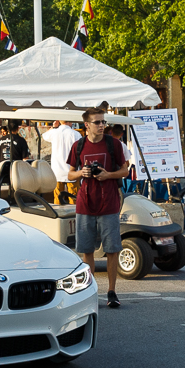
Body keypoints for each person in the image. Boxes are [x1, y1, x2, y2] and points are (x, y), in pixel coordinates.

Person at [67, 109, 131, 309]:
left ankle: (112, 292)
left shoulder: (114, 144)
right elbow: (69, 174)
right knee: (87, 250)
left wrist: (107, 175)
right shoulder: (78, 146)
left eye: (103, 122)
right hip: (85, 204)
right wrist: (81, 173)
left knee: (112, 249)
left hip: (109, 203)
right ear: (87, 125)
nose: (102, 125)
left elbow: (125, 170)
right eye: (97, 122)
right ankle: (89, 292)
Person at [44, 119, 82, 204]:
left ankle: (58, 215)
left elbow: (44, 135)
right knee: (74, 197)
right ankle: (74, 215)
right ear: (70, 121)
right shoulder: (75, 134)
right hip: (72, 170)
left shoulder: (54, 132)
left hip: (57, 171)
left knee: (58, 197)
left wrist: (54, 127)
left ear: (60, 121)